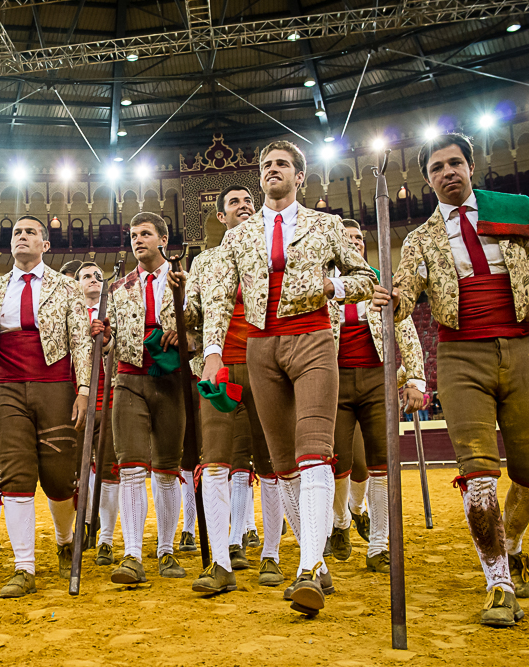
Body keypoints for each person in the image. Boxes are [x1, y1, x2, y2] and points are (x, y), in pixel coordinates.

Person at [373, 133, 529, 627]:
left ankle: (512, 542)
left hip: (522, 349)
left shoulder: (512, 210)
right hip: (460, 355)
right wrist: (392, 300)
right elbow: (405, 293)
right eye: (437, 167)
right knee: (479, 477)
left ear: (470, 166)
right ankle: (498, 583)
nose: (448, 172)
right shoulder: (420, 239)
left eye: (455, 163)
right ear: (427, 180)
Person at [201, 140, 375, 617]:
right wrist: (213, 353)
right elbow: (219, 298)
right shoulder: (238, 236)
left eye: (282, 164)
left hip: (313, 338)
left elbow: (365, 278)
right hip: (260, 348)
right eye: (266, 165)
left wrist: (332, 285)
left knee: (313, 451)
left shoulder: (326, 225)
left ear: (300, 176)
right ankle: (316, 561)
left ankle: (307, 568)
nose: (272, 170)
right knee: (282, 465)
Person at [0, 215, 90, 599]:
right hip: (6, 388)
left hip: (56, 387)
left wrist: (84, 389)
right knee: (15, 477)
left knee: (59, 479)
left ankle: (65, 539)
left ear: (45, 244)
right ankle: (24, 566)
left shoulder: (67, 287)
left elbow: (80, 341)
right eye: (17, 232)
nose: (22, 236)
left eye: (30, 232)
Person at [182, 185, 285, 594]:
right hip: (219, 369)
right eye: (233, 203)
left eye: (248, 201)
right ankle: (221, 562)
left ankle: (272, 554)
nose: (243, 206)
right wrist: (178, 298)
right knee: (216, 461)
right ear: (221, 216)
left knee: (272, 462)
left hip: (268, 365)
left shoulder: (273, 253)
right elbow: (191, 315)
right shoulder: (204, 262)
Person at [94, 211, 191, 585]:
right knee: (131, 467)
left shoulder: (184, 280)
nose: (138, 240)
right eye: (133, 235)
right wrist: (105, 339)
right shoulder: (118, 288)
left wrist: (188, 338)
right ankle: (133, 554)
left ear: (163, 239)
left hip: (171, 380)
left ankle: (165, 550)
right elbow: (113, 340)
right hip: (129, 379)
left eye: (145, 233)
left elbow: (200, 326)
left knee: (166, 468)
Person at [325, 218, 426, 573]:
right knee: (337, 465)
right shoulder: (324, 284)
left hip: (378, 379)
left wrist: (415, 378)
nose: (354, 242)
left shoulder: (381, 282)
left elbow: (405, 327)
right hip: (334, 381)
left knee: (382, 464)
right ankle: (341, 522)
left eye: (358, 238)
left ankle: (380, 545)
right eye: (347, 238)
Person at [74, 261, 120, 566]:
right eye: (86, 276)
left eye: (98, 276)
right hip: (77, 401)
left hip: (111, 398)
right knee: (77, 473)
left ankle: (106, 539)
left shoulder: (115, 311)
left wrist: (108, 341)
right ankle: (85, 526)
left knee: (109, 472)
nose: (93, 280)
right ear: (77, 284)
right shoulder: (70, 312)